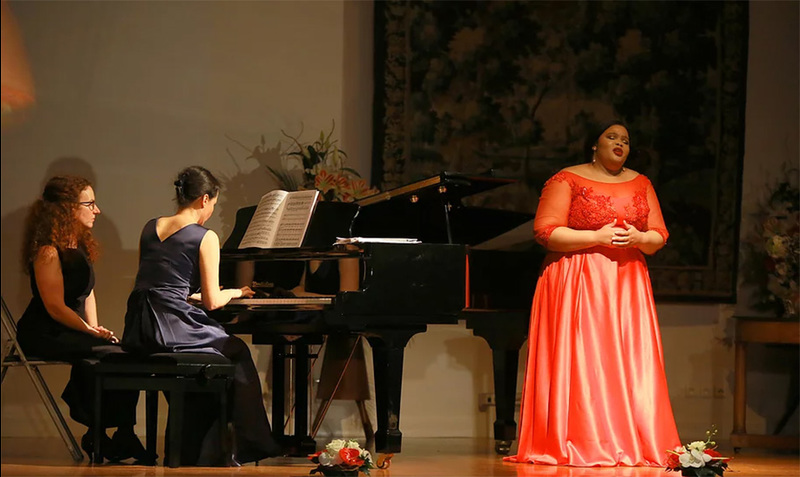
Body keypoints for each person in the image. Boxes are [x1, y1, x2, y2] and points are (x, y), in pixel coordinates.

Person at [504, 121, 681, 467]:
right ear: (593, 146)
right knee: (584, 359)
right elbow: (545, 232)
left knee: (626, 360)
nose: (620, 144)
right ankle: (581, 439)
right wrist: (596, 238)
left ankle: (630, 438)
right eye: (612, 137)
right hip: (577, 279)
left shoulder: (642, 182)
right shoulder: (566, 179)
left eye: (626, 140)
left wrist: (639, 239)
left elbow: (659, 234)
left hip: (627, 282)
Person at [120, 165, 283, 466]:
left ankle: (204, 446)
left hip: (140, 324)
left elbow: (157, 284)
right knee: (236, 350)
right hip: (171, 326)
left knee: (216, 352)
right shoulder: (204, 237)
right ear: (204, 199)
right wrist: (235, 292)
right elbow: (212, 302)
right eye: (213, 205)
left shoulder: (150, 226)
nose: (210, 212)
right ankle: (252, 445)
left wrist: (189, 296)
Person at [16, 175, 147, 462]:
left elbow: (87, 293)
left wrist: (95, 325)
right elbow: (54, 307)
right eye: (89, 203)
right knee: (109, 355)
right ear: (67, 209)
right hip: (44, 332)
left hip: (70, 328)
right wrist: (88, 331)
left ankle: (119, 433)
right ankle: (98, 434)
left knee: (126, 353)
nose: (97, 210)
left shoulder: (79, 246)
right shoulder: (48, 251)